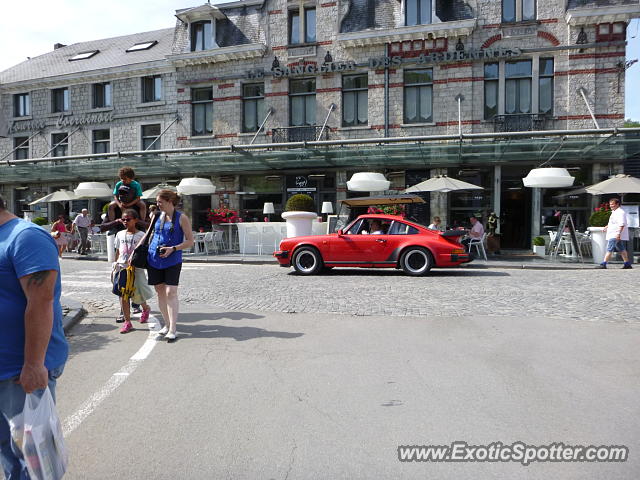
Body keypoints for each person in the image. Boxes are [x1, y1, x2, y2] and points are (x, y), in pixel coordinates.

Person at [0, 193, 69, 479]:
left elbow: (41, 303)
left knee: (35, 462)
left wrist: (33, 365)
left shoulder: (26, 236)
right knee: (9, 454)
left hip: (20, 374)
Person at [143, 190, 194, 342]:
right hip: (154, 258)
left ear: (170, 201)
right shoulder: (156, 215)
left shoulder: (182, 218)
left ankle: (173, 328)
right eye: (157, 202)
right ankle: (166, 324)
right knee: (160, 292)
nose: (157, 204)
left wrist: (173, 248)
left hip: (172, 259)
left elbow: (190, 241)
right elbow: (148, 235)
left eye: (160, 202)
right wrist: (136, 251)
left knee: (170, 292)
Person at [113, 209, 153, 333]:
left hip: (137, 269)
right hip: (122, 267)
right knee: (123, 294)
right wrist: (115, 264)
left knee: (138, 293)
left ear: (135, 220)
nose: (125, 221)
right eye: (123, 219)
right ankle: (127, 322)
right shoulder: (119, 234)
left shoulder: (142, 235)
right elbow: (118, 250)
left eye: (128, 219)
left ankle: (145, 308)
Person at [596, 197, 632, 269]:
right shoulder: (614, 212)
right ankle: (627, 263)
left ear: (617, 204)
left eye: (612, 204)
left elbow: (622, 224)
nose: (611, 206)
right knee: (621, 249)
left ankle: (604, 263)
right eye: (610, 204)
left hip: (615, 234)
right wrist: (607, 226)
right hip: (614, 233)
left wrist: (618, 234)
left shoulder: (620, 212)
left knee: (609, 248)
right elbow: (613, 222)